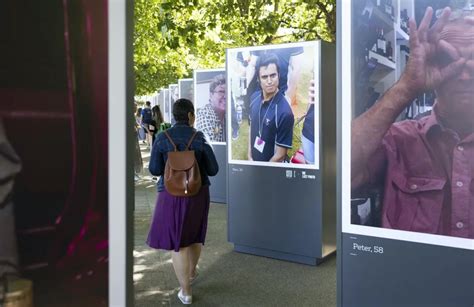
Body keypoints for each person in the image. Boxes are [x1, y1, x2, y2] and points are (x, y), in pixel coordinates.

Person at [351, 6, 474, 238]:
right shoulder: (399, 140)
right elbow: (338, 172)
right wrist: (407, 86)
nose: (465, 74)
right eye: (450, 58)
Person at [147, 98, 219, 304]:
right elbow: (213, 170)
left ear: (174, 115)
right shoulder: (200, 136)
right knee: (195, 236)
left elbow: (154, 169)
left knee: (178, 243)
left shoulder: (162, 137)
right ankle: (192, 272)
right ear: (190, 116)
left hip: (170, 194)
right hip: (198, 192)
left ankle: (185, 291)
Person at [248, 53, 295, 162]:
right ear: (258, 79)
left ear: (278, 75)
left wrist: (263, 172)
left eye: (273, 75)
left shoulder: (285, 113)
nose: (269, 81)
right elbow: (251, 127)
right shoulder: (254, 98)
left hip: (271, 170)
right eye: (264, 77)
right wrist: (249, 156)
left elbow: (280, 156)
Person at [195, 74, 226, 142]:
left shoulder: (227, 115)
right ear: (211, 95)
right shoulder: (205, 116)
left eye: (227, 92)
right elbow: (209, 148)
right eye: (221, 92)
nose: (225, 96)